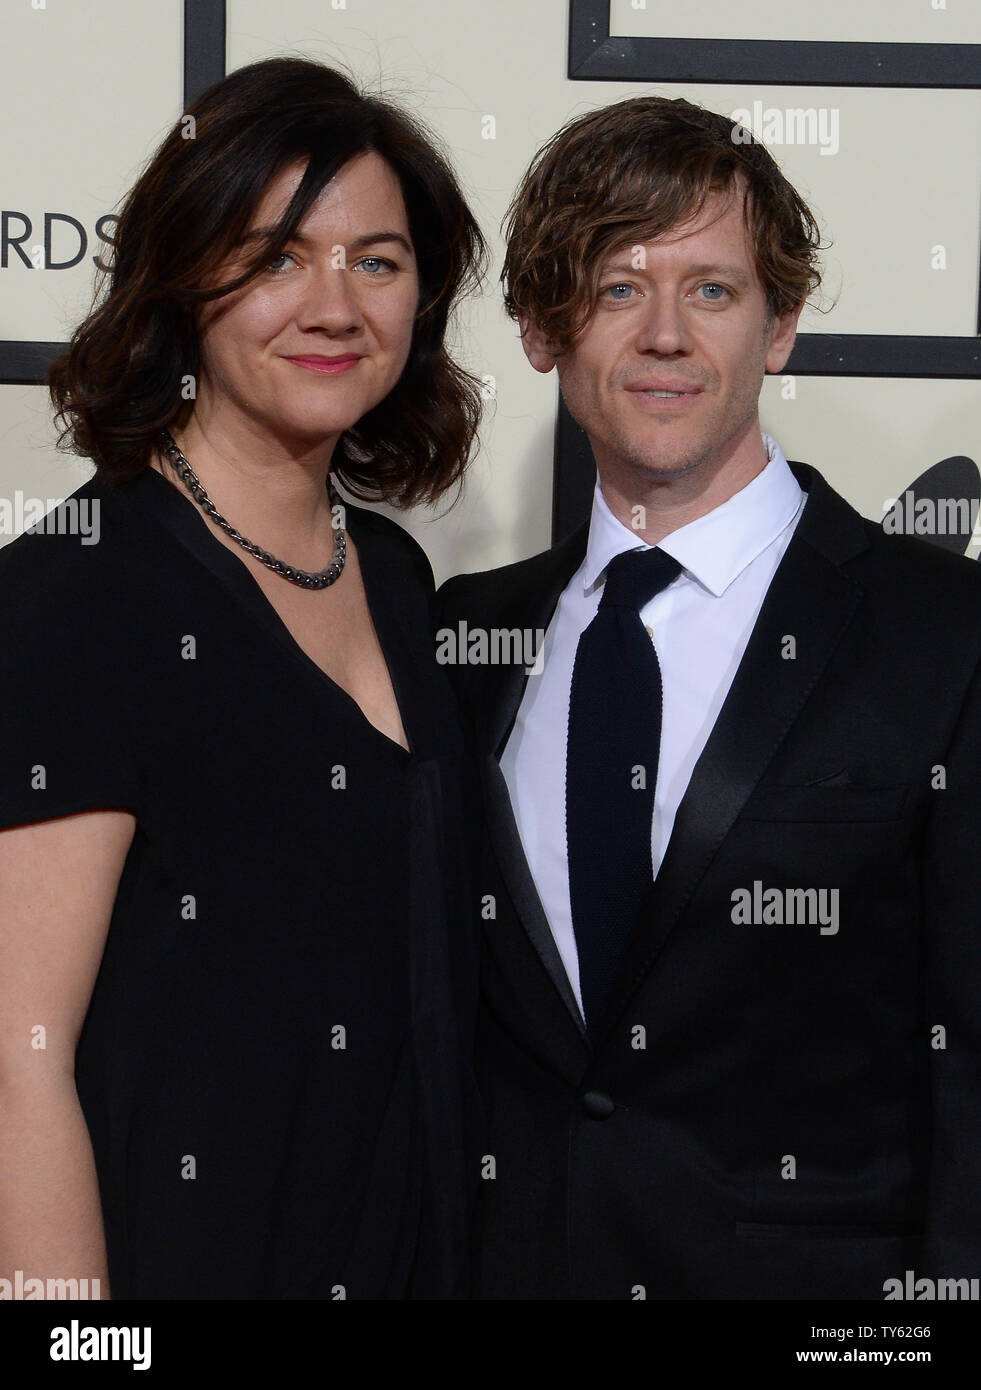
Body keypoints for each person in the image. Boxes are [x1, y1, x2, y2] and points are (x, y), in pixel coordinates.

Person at [436, 95, 981, 1300]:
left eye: (716, 291)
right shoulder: (459, 635)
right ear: (539, 327)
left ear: (780, 327)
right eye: (618, 288)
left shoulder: (945, 635)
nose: (667, 334)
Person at [0, 56, 485, 1300]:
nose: (334, 304)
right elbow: (18, 1055)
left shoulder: (394, 579)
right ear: (182, 277)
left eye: (375, 261)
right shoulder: (76, 592)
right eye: (275, 255)